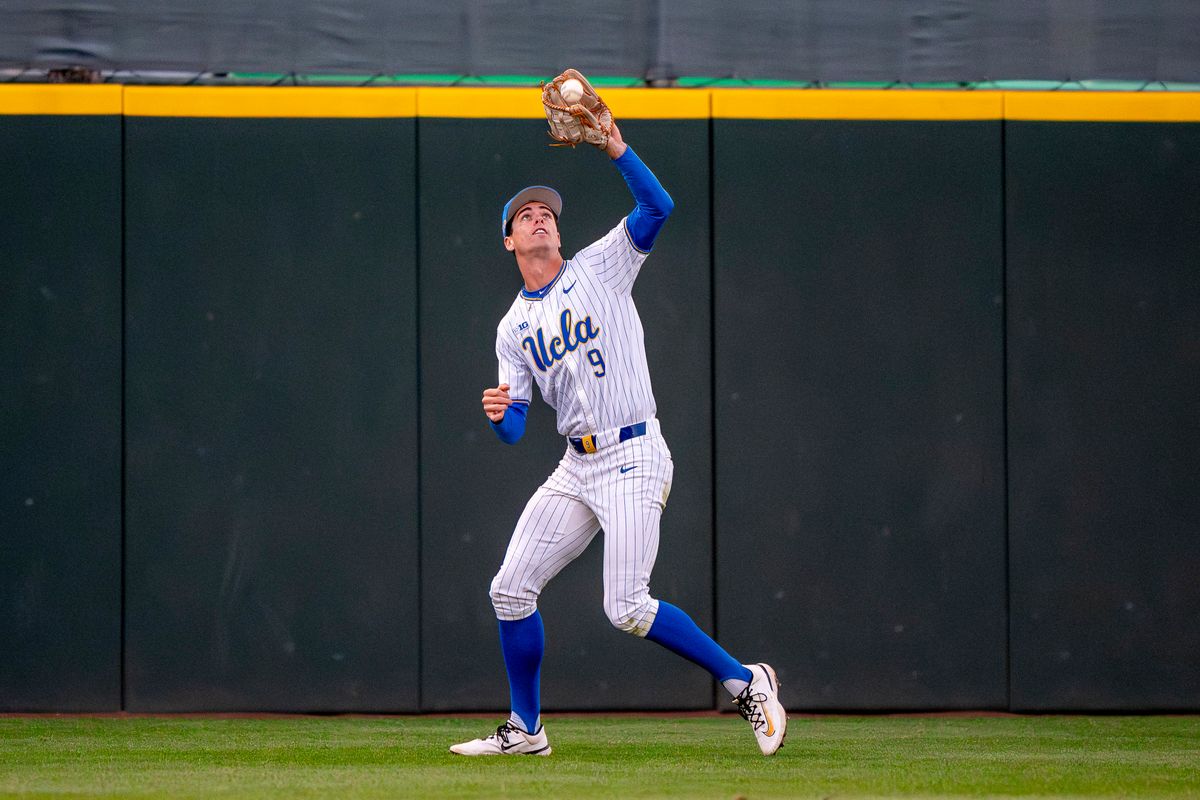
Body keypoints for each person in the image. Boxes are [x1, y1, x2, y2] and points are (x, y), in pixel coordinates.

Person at [450, 122, 786, 757]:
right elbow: (517, 427)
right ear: (509, 240)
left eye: (545, 211)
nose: (539, 218)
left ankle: (747, 683)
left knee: (627, 605)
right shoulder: (512, 327)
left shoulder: (600, 264)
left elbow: (658, 207)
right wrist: (500, 417)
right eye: (524, 215)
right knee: (509, 590)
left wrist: (613, 144)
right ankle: (527, 730)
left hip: (633, 452)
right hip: (576, 465)